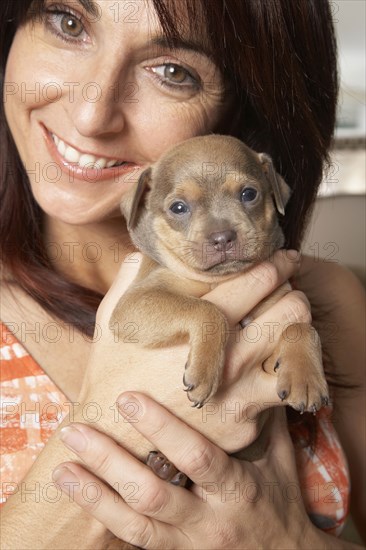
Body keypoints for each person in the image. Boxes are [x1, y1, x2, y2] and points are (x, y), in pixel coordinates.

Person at [0, 0, 364, 548]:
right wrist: (115, 421)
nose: (91, 115)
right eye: (69, 22)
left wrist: (287, 540)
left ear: (243, 115)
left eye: (174, 72)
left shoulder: (327, 298)